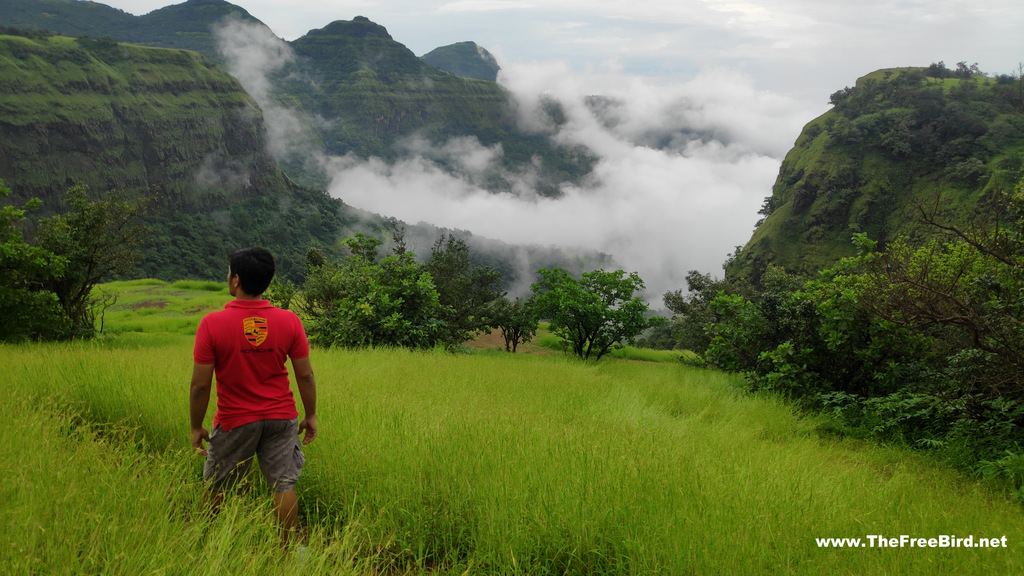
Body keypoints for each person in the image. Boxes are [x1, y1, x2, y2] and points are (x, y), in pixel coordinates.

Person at [189, 247, 317, 543]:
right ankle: (291, 552)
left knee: (218, 484)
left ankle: (208, 544)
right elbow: (306, 375)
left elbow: (200, 386)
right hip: (281, 417)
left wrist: (196, 426)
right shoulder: (289, 321)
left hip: (236, 419)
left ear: (235, 280)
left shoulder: (212, 323)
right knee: (283, 484)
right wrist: (310, 414)